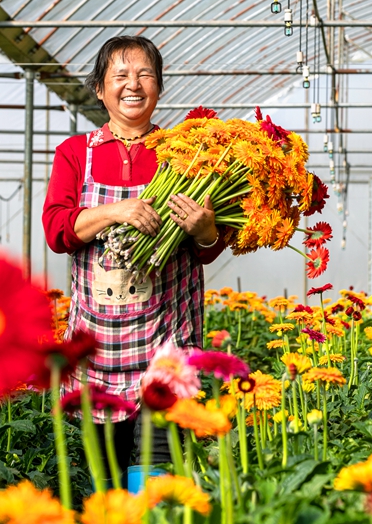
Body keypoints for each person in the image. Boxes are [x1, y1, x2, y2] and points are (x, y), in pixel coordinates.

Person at [43, 35, 228, 478]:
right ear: (100, 88)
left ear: (159, 87)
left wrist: (206, 232)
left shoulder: (187, 154)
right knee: (106, 480)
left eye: (145, 74)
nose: (133, 85)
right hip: (98, 353)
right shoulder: (75, 154)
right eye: (120, 75)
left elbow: (208, 250)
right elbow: (56, 230)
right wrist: (114, 211)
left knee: (157, 474)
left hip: (166, 343)